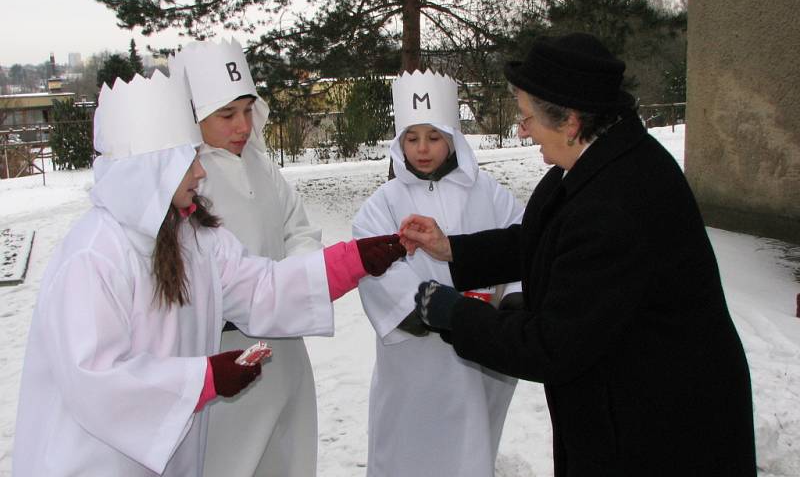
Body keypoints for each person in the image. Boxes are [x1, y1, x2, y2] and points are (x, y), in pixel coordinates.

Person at [12, 71, 405, 477]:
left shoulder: (192, 237)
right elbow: (95, 377)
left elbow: (259, 288)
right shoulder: (94, 255)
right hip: (91, 463)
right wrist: (204, 378)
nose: (201, 173)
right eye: (190, 160)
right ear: (152, 168)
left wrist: (352, 261)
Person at [402, 33, 757, 477]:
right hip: (623, 405)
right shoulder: (598, 161)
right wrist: (452, 248)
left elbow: (552, 345)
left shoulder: (620, 202)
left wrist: (456, 315)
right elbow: (539, 238)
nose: (521, 129)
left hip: (661, 432)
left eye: (528, 116)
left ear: (570, 121)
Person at [353, 69, 524, 477]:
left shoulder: (487, 192)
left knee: (470, 440)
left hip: (480, 342)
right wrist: (420, 311)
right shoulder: (386, 202)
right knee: (407, 441)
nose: (423, 149)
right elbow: (373, 263)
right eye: (412, 139)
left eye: (433, 137)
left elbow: (521, 242)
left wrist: (514, 297)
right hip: (415, 355)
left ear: (453, 137)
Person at [170, 38, 326, 477]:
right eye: (226, 115)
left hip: (284, 341)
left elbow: (299, 228)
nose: (242, 125)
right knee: (232, 457)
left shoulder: (262, 165)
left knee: (287, 452)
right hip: (225, 349)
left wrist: (292, 279)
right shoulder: (187, 178)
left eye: (247, 111)